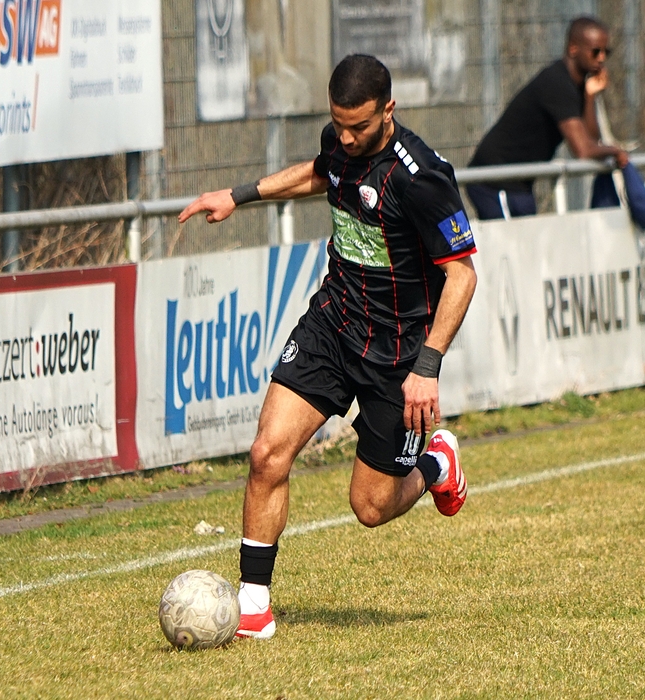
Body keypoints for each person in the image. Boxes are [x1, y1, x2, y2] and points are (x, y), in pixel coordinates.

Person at [179, 54, 478, 641]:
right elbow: (322, 173)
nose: (345, 137)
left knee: (370, 506)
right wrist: (239, 195)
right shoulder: (340, 141)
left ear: (388, 111)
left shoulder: (422, 179)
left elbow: (462, 275)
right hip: (333, 326)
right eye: (337, 124)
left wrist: (428, 366)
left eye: (358, 127)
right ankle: (254, 605)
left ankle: (437, 463)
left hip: (398, 355)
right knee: (267, 453)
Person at [465, 16, 630, 220]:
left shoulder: (577, 87)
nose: (602, 58)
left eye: (607, 52)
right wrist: (615, 150)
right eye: (596, 51)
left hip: (520, 182)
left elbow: (591, 141)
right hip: (493, 179)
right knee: (512, 240)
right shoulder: (557, 82)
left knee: (528, 237)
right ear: (573, 48)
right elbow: (583, 150)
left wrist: (590, 96)